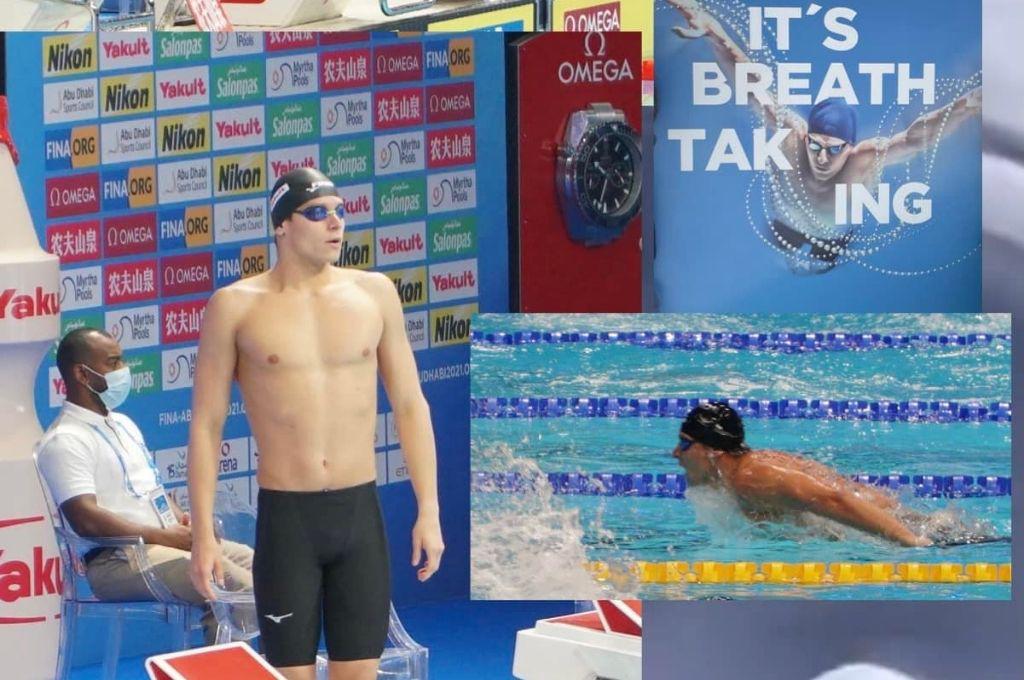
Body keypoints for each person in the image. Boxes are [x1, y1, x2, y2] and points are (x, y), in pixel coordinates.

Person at [187, 167, 444, 680]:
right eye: (318, 212)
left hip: (358, 516)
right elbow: (207, 426)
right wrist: (202, 536)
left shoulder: (374, 294)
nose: (336, 223)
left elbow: (411, 404)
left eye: (341, 212)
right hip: (289, 524)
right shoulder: (235, 307)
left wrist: (429, 509)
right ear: (282, 225)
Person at [670, 0, 982, 274]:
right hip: (785, 224)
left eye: (834, 150)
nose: (821, 157)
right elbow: (748, 80)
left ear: (850, 148)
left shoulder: (865, 159)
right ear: (806, 137)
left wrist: (966, 105)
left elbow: (916, 138)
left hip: (835, 237)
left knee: (824, 271)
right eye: (815, 145)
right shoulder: (790, 136)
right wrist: (712, 30)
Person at [35, 328, 254, 639]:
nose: (124, 370)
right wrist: (165, 537)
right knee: (230, 581)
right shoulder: (65, 439)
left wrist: (188, 524)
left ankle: (243, 666)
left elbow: (152, 491)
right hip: (117, 562)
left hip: (159, 544)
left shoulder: (123, 423)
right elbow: (85, 520)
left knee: (263, 570)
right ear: (82, 375)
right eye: (113, 363)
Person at [671, 402, 936, 546]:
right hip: (898, 519)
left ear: (712, 450)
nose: (676, 453)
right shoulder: (738, 472)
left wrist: (908, 540)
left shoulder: (752, 478)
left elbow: (835, 499)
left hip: (898, 523)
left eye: (684, 444)